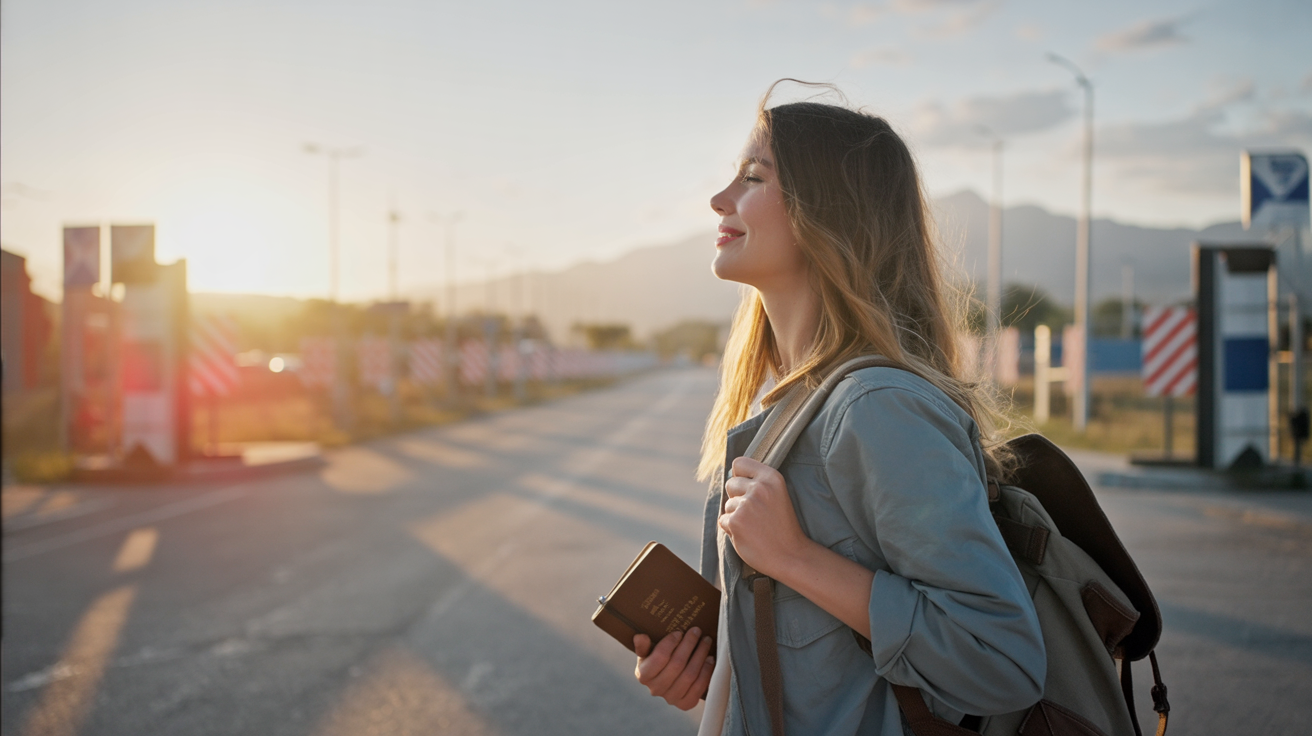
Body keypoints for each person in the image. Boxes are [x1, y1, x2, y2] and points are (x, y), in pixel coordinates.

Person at [631, 84, 1047, 736]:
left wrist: (797, 559)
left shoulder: (879, 410)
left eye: (753, 177)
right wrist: (709, 670)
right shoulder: (780, 412)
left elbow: (1003, 662)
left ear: (827, 213)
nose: (719, 200)